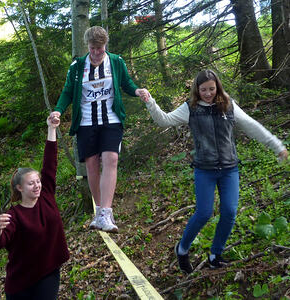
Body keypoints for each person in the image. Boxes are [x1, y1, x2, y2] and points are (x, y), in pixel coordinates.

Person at [142, 69, 288, 273]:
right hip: (205, 169)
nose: (208, 93)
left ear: (217, 86)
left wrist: (277, 145)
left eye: (212, 89)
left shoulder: (228, 105)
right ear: (197, 89)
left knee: (229, 212)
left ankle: (215, 255)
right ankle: (182, 249)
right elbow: (164, 120)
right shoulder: (190, 108)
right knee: (203, 213)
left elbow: (252, 126)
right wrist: (150, 101)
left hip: (229, 169)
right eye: (204, 90)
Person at [49, 26, 150, 233]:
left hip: (111, 119)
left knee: (111, 158)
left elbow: (126, 83)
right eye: (93, 48)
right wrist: (58, 110)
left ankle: (106, 212)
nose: (96, 53)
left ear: (106, 46)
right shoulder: (77, 66)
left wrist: (137, 90)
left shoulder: (116, 61)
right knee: (92, 164)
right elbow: (68, 91)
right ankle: (99, 211)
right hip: (86, 122)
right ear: (88, 46)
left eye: (100, 48)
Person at [0, 115, 70, 299]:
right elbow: (0, 242)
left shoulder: (47, 195)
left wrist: (51, 129)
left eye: (37, 181)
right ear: (19, 188)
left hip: (48, 273)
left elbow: (50, 163)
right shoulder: (14, 215)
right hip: (20, 283)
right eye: (30, 184)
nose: (37, 186)